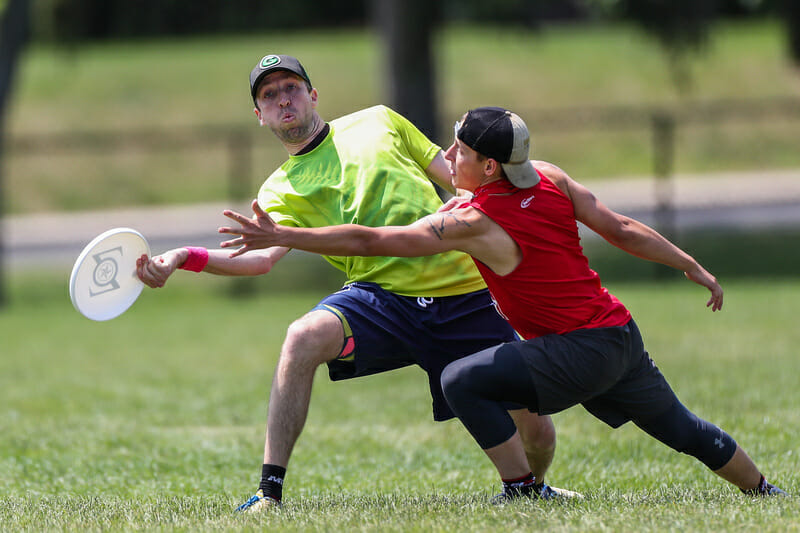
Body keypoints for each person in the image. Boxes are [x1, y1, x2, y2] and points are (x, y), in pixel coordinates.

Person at [219, 106, 786, 501]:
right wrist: (690, 265)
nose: (448, 154)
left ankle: (521, 490)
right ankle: (765, 491)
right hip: (618, 333)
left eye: (459, 150)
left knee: (462, 381)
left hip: (576, 350)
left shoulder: (474, 221)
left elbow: (370, 240)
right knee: (684, 430)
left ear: (489, 167)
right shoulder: (549, 177)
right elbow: (622, 227)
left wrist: (287, 237)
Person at [137, 57, 573, 511]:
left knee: (537, 429)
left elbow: (460, 183)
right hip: (380, 299)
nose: (283, 98)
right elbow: (261, 260)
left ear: (313, 94)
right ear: (260, 115)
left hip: (462, 291)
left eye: (291, 87)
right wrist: (185, 258)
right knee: (301, 337)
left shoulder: (379, 120)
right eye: (269, 95)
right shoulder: (278, 190)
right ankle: (270, 492)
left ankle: (530, 489)